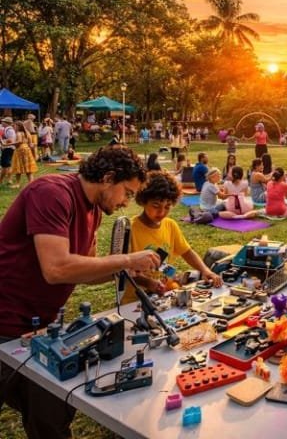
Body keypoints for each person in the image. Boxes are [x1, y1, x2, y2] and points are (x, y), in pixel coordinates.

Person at [0, 146, 161, 439]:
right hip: (5, 318)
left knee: (50, 412)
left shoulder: (94, 212)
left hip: (40, 328)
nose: (126, 202)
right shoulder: (52, 192)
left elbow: (84, 272)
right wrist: (126, 259)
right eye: (126, 192)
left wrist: (126, 273)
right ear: (108, 177)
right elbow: (56, 269)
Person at [124, 171, 222, 301]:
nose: (162, 212)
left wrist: (205, 270)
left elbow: (187, 252)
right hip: (135, 301)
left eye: (167, 206)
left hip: (164, 296)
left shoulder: (170, 225)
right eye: (156, 205)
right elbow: (123, 270)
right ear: (143, 201)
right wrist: (149, 283)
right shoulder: (129, 229)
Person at [9, 121, 37, 187]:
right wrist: (34, 153)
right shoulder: (27, 133)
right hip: (27, 150)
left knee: (18, 167)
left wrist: (8, 144)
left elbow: (19, 142)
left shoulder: (18, 133)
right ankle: (31, 183)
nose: (14, 127)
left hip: (20, 150)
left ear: (18, 126)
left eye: (15, 126)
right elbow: (30, 144)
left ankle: (17, 184)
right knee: (28, 168)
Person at [0, 116, 17, 185]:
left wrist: (1, 140)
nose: (2, 122)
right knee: (8, 165)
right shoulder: (6, 129)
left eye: (3, 121)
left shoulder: (9, 130)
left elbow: (11, 140)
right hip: (8, 148)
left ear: (6, 123)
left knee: (4, 165)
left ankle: (1, 180)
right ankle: (9, 180)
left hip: (8, 148)